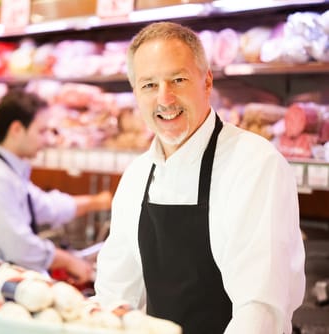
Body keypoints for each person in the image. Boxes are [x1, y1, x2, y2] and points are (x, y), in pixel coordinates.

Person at [93, 21, 305, 334]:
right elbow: (114, 297)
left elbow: (260, 310)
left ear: (207, 82)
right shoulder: (136, 176)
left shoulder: (255, 164)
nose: (165, 99)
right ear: (135, 92)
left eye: (177, 79)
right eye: (149, 85)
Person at [0, 88, 112, 285]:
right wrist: (68, 261)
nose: (47, 139)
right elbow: (19, 246)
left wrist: (97, 202)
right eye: (42, 131)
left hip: (0, 282)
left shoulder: (10, 172)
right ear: (16, 130)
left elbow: (47, 207)